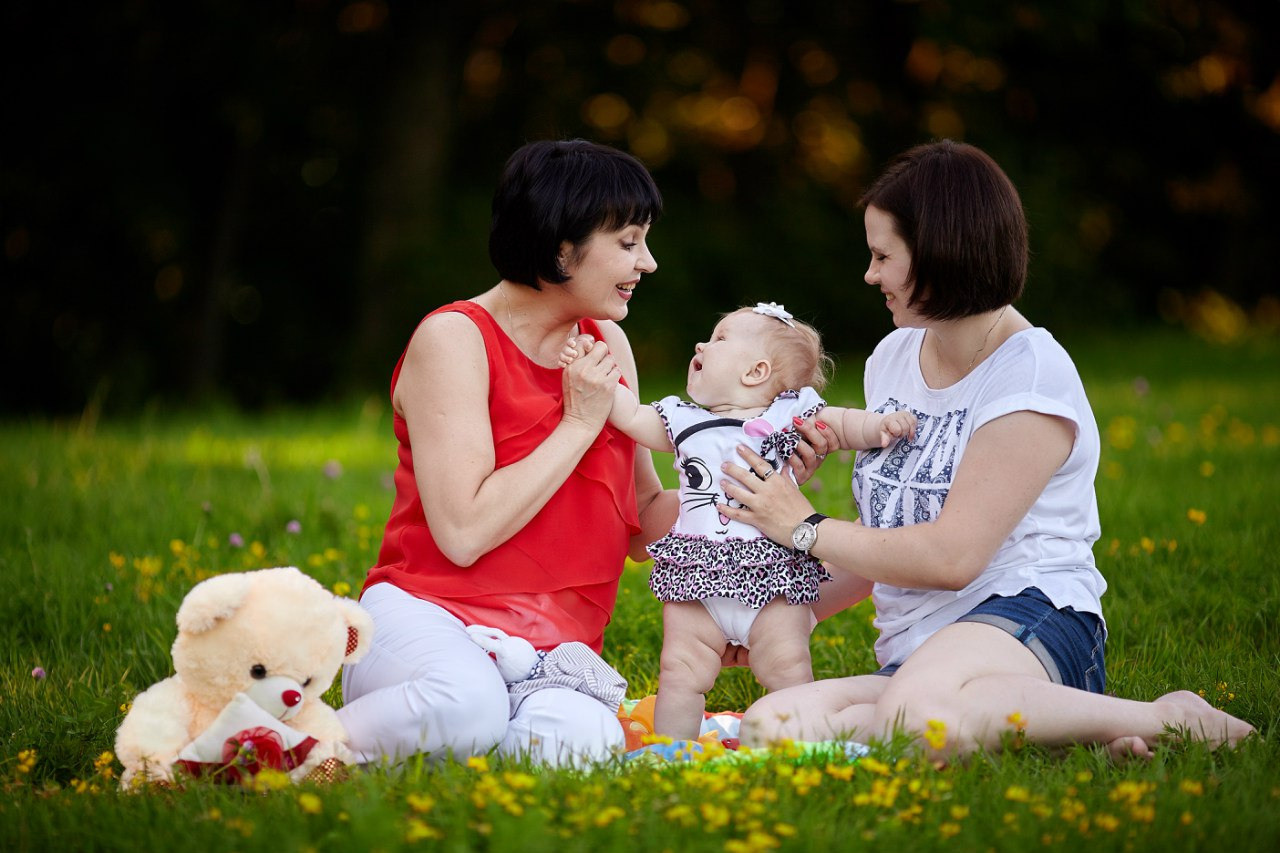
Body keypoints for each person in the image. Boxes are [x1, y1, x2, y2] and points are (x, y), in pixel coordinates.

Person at [722, 140, 1254, 760]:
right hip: (922, 653)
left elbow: (952, 558)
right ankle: (1057, 731)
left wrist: (803, 525)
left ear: (940, 253)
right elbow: (884, 540)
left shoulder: (1029, 373)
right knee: (771, 726)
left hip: (1026, 619)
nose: (869, 275)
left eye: (882, 256)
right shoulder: (894, 358)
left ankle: (1164, 718)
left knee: (912, 720)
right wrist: (787, 613)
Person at [334, 138, 829, 767]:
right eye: (627, 242)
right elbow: (462, 533)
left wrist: (750, 489)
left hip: (553, 649)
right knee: (461, 707)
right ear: (560, 245)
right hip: (430, 618)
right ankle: (289, 744)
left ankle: (428, 744)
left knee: (577, 752)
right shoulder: (455, 338)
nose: (647, 263)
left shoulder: (607, 345)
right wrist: (577, 424)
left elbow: (645, 511)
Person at [560, 303, 916, 739]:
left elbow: (838, 425)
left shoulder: (786, 416)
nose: (701, 344)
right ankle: (675, 750)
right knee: (679, 670)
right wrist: (593, 373)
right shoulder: (684, 420)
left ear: (755, 371)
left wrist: (878, 425)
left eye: (720, 338)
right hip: (697, 578)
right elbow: (631, 415)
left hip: (771, 578)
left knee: (787, 667)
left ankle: (793, 739)